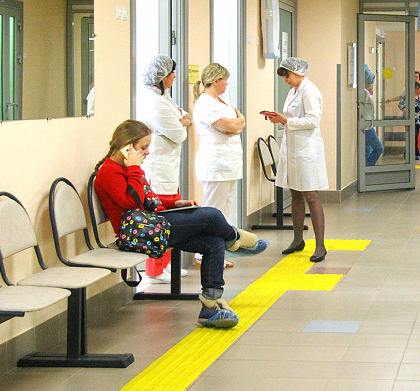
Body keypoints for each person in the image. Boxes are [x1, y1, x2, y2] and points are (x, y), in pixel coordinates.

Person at [95, 120, 267, 328]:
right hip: (138, 234)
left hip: (152, 226)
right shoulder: (110, 171)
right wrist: (134, 168)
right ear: (126, 147)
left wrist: (173, 203)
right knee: (212, 215)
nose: (147, 152)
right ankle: (235, 240)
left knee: (213, 243)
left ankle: (210, 306)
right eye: (143, 147)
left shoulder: (127, 169)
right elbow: (132, 203)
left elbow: (147, 199)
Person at [193, 64, 267, 259]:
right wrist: (236, 123)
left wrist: (237, 123)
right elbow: (230, 125)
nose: (227, 84)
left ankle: (217, 254)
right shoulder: (205, 103)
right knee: (212, 211)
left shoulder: (223, 100)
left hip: (229, 163)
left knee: (224, 211)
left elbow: (238, 123)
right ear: (215, 81)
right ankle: (203, 254)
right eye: (224, 80)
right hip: (216, 164)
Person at [264, 57, 329, 262]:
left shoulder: (309, 90)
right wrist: (281, 119)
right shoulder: (294, 91)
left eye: (287, 75)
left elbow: (313, 120)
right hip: (292, 148)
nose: (285, 80)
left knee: (311, 195)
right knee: (295, 193)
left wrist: (287, 121)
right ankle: (298, 240)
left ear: (299, 72)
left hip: (306, 149)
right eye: (283, 76)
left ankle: (320, 246)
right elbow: (292, 118)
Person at [137, 55, 194, 282]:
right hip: (158, 169)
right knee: (158, 219)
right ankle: (155, 270)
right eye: (171, 73)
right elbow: (180, 134)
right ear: (161, 77)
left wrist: (182, 122)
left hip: (168, 168)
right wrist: (182, 124)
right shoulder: (155, 102)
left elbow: (186, 117)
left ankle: (165, 265)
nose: (174, 77)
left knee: (170, 219)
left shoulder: (164, 98)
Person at [362, 64, 383, 166]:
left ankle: (366, 170)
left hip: (368, 125)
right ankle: (369, 168)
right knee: (379, 148)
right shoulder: (363, 92)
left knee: (367, 151)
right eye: (371, 83)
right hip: (367, 127)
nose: (371, 85)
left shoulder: (364, 92)